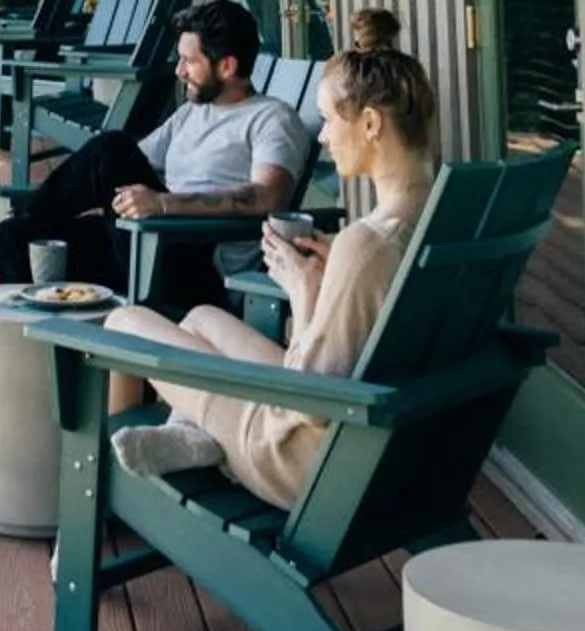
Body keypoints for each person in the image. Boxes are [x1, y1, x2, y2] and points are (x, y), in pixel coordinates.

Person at [101, 47, 441, 506]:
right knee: (202, 317)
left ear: (370, 123)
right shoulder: (435, 221)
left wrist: (305, 291)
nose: (322, 137)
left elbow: (307, 401)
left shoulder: (366, 245)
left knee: (124, 323)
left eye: (328, 119)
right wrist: (328, 282)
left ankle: (103, 500)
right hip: (390, 446)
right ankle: (190, 434)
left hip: (296, 459)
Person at [0, 0, 312, 296]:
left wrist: (164, 203)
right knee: (18, 239)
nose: (179, 71)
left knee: (112, 147)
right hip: (149, 241)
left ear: (227, 66)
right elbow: (127, 167)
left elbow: (267, 198)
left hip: (197, 262)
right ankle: (28, 358)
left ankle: (24, 215)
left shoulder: (271, 119)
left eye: (189, 61)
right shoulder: (192, 113)